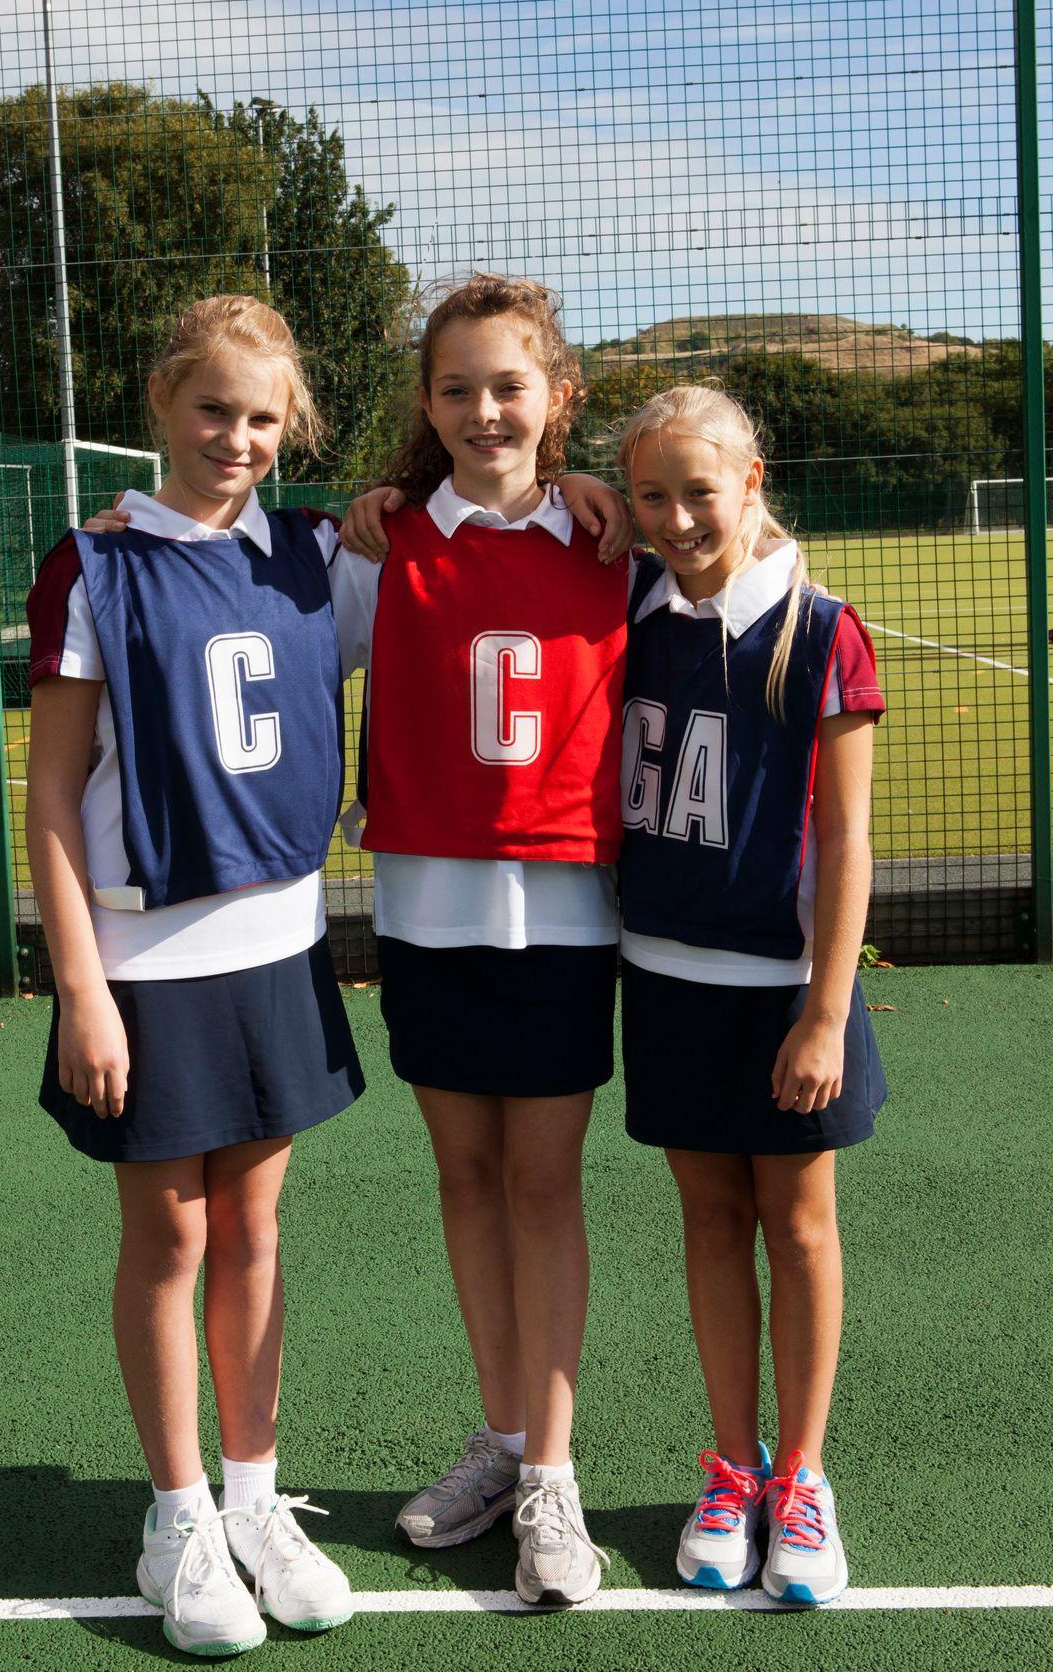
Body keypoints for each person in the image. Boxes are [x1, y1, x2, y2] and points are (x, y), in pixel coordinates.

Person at [25, 296, 363, 1659]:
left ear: (293, 433)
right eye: (214, 409)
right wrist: (82, 989)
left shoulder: (319, 553)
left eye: (265, 419)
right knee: (169, 1238)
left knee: (259, 1234)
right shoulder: (93, 566)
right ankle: (176, 1518)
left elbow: (469, 507)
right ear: (162, 401)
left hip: (278, 943)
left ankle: (255, 1500)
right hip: (142, 956)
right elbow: (51, 797)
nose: (237, 438)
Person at [335, 274, 631, 1607]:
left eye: (508, 385)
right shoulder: (384, 543)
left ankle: (554, 1483)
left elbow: (730, 539)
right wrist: (120, 530)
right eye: (455, 387)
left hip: (565, 905)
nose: (481, 409)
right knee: (465, 1178)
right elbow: (260, 603)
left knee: (541, 1184)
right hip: (427, 907)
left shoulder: (610, 544)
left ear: (556, 398)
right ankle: (504, 1442)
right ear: (425, 405)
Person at [615, 382, 886, 1607]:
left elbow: (848, 845)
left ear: (752, 481)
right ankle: (731, 1465)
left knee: (799, 1226)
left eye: (697, 492)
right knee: (710, 1223)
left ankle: (805, 1479)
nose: (674, 518)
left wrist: (824, 1011)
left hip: (783, 993)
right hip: (667, 980)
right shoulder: (631, 602)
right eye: (649, 495)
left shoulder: (821, 628)